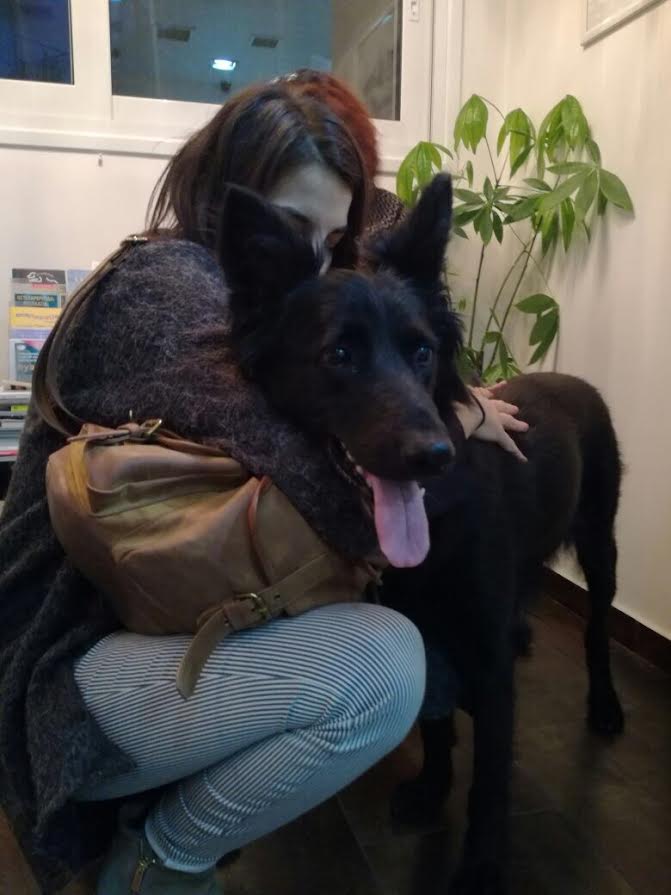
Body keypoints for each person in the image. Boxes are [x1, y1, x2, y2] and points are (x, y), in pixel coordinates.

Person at [0, 82, 527, 895]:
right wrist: (451, 415)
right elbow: (314, 485)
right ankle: (156, 863)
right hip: (60, 673)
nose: (312, 257)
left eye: (331, 238)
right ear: (227, 203)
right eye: (288, 226)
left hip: (148, 628)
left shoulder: (246, 301)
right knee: (383, 666)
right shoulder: (160, 292)